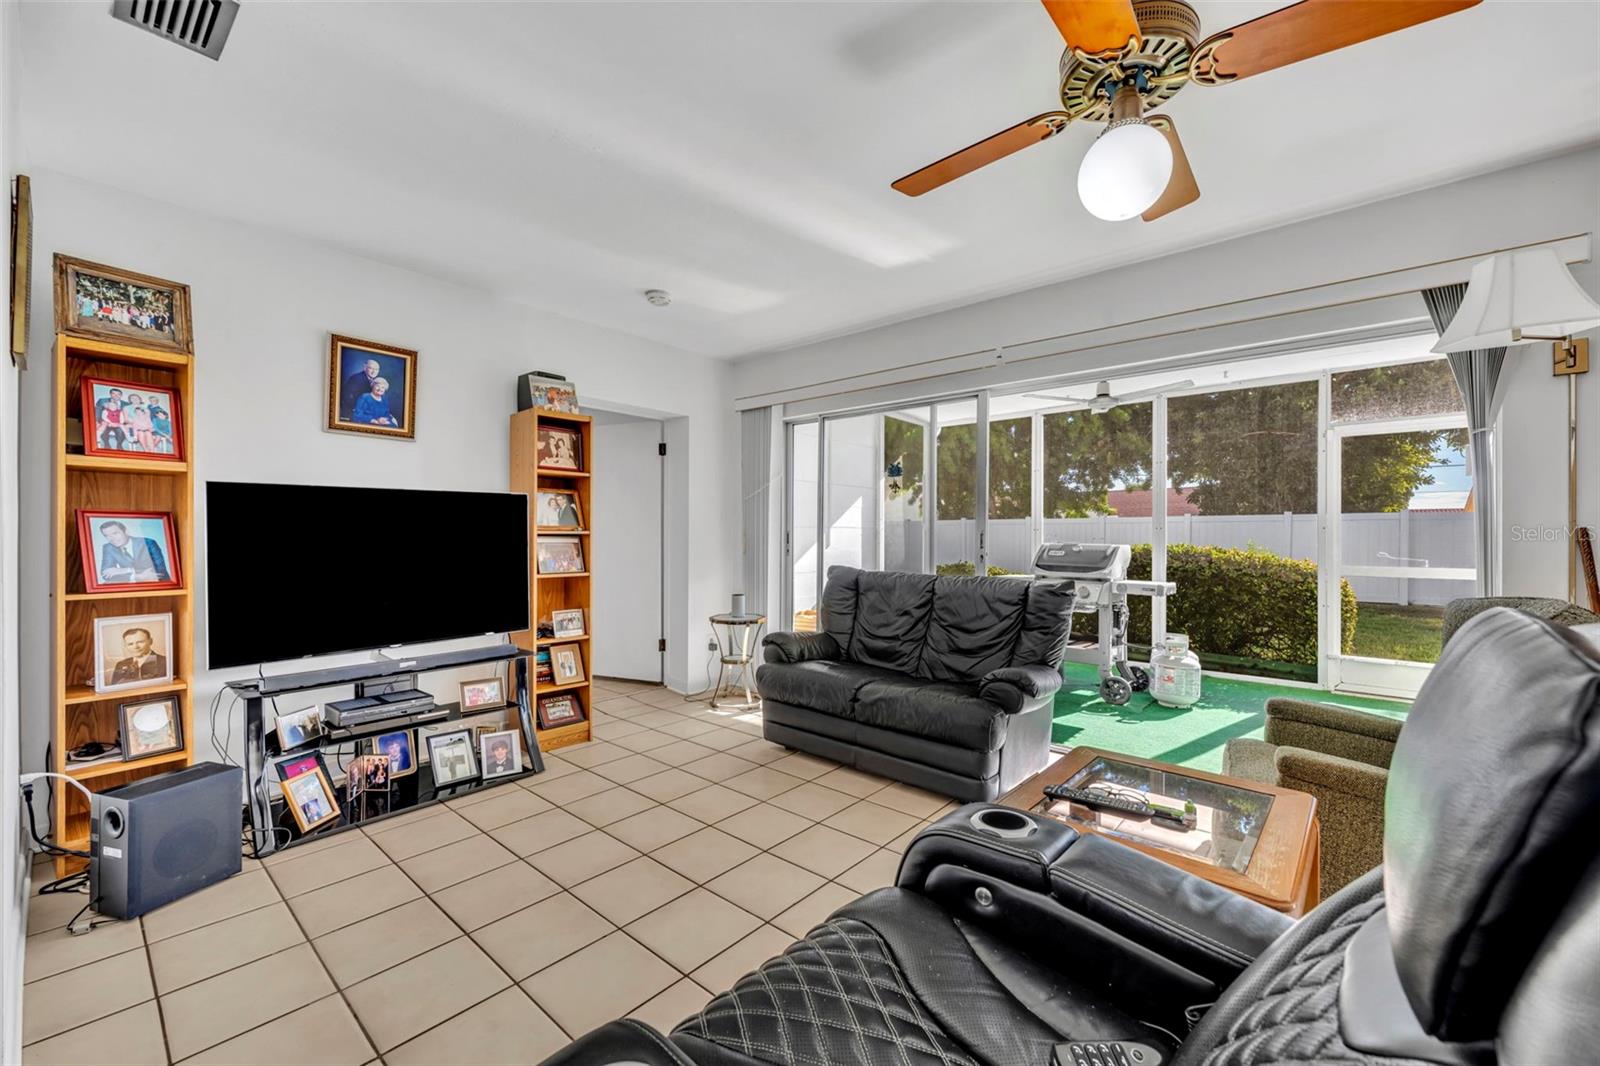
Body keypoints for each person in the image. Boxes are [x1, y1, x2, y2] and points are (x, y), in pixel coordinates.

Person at [97, 519, 170, 584]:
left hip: (159, 584)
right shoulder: (108, 547)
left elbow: (160, 571)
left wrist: (126, 570)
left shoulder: (148, 543)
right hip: (132, 586)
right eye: (106, 536)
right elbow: (106, 574)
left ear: (126, 531)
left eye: (115, 533)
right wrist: (137, 576)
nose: (111, 538)